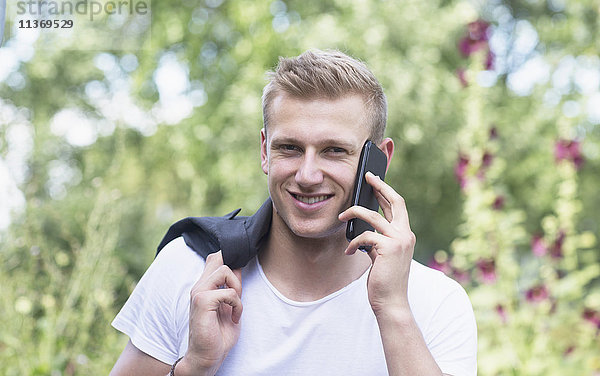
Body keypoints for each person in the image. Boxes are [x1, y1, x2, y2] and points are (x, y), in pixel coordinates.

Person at [110, 49, 477, 376]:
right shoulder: (189, 269)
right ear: (265, 151)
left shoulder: (435, 301)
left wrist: (393, 309)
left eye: (334, 150)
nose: (307, 175)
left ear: (380, 160)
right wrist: (195, 368)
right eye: (290, 148)